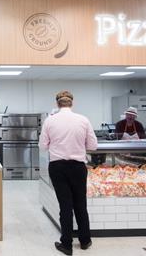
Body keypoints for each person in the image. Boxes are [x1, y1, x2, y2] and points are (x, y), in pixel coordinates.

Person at [39, 91, 98, 256]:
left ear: (57, 103)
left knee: (65, 206)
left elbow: (43, 146)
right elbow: (93, 145)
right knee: (80, 203)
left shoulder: (50, 121)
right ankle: (85, 240)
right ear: (72, 103)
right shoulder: (83, 119)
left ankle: (66, 244)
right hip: (78, 167)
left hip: (58, 167)